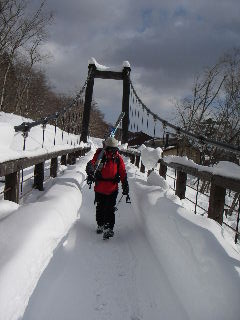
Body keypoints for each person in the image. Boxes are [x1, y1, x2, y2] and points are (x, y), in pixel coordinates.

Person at [86, 137, 129, 239]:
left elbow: (122, 172)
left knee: (109, 209)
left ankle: (109, 228)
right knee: (100, 207)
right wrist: (90, 171)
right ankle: (101, 224)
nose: (113, 151)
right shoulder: (100, 155)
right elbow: (92, 163)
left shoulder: (118, 158)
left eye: (114, 149)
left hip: (112, 188)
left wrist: (125, 184)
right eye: (111, 149)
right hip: (100, 187)